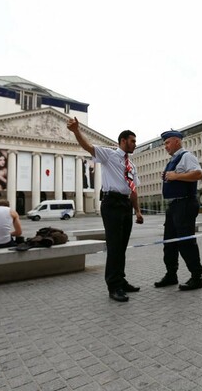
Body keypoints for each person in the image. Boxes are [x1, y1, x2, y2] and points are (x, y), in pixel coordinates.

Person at [67, 117, 143, 303]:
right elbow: (88, 146)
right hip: (112, 203)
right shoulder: (109, 155)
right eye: (132, 141)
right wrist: (76, 131)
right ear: (123, 141)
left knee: (122, 246)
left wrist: (138, 211)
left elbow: (133, 189)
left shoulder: (131, 165)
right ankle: (114, 286)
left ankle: (121, 280)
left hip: (125, 204)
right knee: (114, 246)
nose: (135, 144)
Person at [154, 130, 202, 291]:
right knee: (169, 242)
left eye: (167, 143)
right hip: (174, 206)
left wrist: (175, 176)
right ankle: (171, 275)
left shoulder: (186, 156)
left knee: (186, 242)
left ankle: (197, 277)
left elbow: (198, 174)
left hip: (185, 204)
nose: (165, 146)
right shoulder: (174, 160)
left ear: (177, 141)